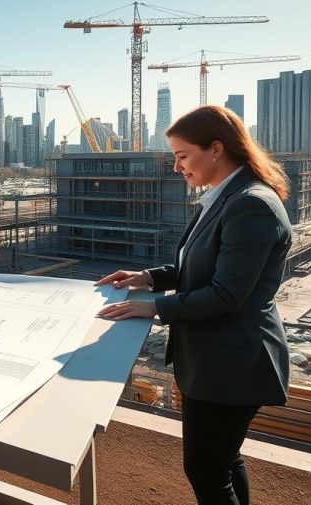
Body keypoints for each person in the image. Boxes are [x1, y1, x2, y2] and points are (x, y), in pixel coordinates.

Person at [96, 105, 291, 505]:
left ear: (216, 149)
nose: (175, 167)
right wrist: (147, 278)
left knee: (205, 469)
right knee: (223, 460)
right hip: (217, 359)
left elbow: (226, 293)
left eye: (182, 156)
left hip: (232, 364)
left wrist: (153, 308)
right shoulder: (226, 198)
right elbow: (196, 267)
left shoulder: (250, 204)